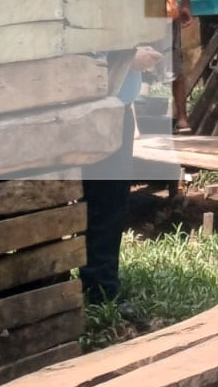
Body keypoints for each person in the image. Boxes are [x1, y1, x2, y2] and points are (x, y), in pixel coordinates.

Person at [81, 42, 162, 310]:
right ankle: (97, 289)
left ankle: (101, 287)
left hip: (116, 108)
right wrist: (128, 59)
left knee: (112, 201)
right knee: (102, 201)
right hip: (87, 111)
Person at [164, 0, 194, 131]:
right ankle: (183, 119)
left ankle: (134, 125)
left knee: (131, 65)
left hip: (134, 10)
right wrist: (185, 3)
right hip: (164, 9)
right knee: (175, 68)